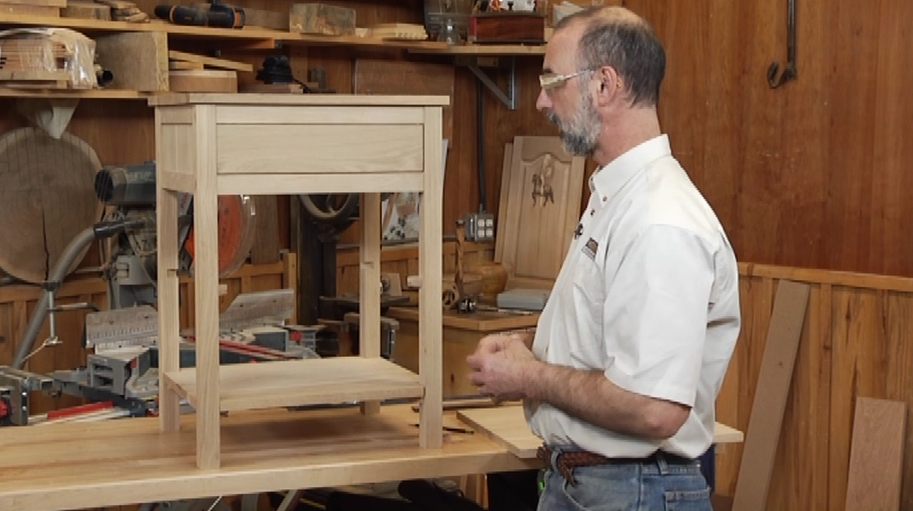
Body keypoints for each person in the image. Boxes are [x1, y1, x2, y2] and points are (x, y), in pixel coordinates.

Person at [466, 6, 741, 511]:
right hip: (593, 485)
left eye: (553, 82)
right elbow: (614, 330)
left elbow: (655, 409)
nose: (541, 101)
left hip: (633, 492)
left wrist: (528, 376)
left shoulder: (660, 221)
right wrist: (529, 345)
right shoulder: (618, 197)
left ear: (604, 86)